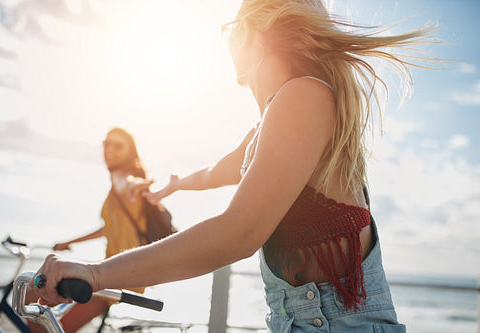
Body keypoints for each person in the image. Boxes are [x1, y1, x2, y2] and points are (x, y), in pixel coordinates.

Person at [30, 0, 438, 331]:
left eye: (229, 28)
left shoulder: (304, 97)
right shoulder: (265, 130)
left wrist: (97, 273)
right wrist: (172, 186)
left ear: (246, 32)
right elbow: (215, 172)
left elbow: (238, 232)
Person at [29, 127, 152, 333]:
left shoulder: (125, 181)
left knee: (53, 327)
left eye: (118, 145)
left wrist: (142, 185)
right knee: (36, 303)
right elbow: (108, 229)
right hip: (111, 272)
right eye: (107, 143)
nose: (109, 149)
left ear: (130, 152)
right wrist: (70, 242)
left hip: (118, 278)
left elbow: (130, 184)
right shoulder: (115, 190)